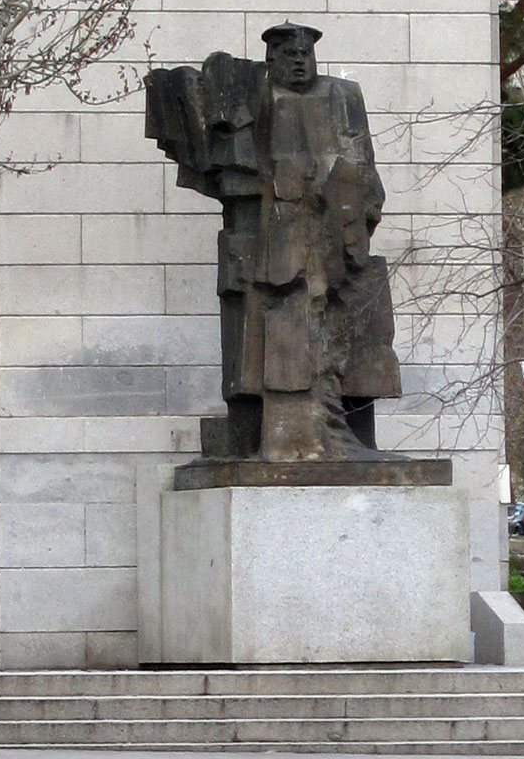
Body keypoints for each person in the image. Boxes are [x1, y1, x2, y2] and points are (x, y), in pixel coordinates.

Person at [145, 23, 401, 461]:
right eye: (288, 53)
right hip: (275, 239)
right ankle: (286, 433)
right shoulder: (258, 98)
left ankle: (346, 430)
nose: (299, 60)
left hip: (337, 234)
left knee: (356, 317)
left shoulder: (342, 97)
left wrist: (356, 217)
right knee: (277, 321)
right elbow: (224, 156)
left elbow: (363, 167)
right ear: (271, 60)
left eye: (305, 52)